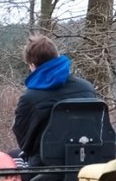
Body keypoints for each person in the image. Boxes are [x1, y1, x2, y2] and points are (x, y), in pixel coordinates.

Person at [12, 35, 100, 166]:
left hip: (45, 167)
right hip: (87, 160)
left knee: (9, 157)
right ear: (57, 56)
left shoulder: (29, 98)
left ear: (32, 66)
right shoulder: (87, 88)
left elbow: (25, 143)